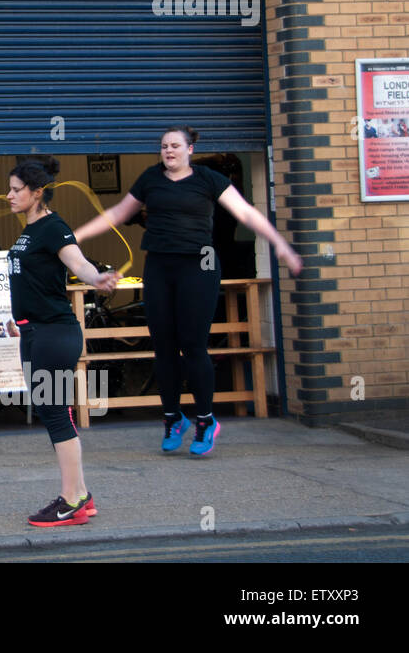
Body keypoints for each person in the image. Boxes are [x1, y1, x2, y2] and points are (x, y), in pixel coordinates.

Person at [73, 126, 303, 456]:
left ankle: (206, 421)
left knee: (193, 345)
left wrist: (280, 244)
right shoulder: (150, 179)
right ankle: (172, 418)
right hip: (159, 267)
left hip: (199, 266)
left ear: (190, 149)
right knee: (163, 346)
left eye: (176, 146)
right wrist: (74, 238)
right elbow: (117, 213)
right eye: (164, 146)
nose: (169, 151)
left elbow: (246, 212)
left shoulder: (208, 179)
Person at [6, 157, 118, 527]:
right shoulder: (30, 229)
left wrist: (96, 277)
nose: (9, 196)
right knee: (53, 412)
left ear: (37, 193)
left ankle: (70, 501)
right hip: (35, 331)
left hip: (54, 333)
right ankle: (82, 495)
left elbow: (78, 262)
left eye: (16, 190)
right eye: (10, 189)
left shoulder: (53, 227)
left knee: (55, 414)